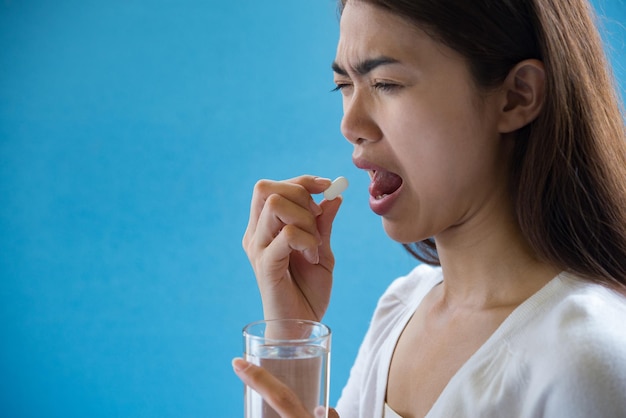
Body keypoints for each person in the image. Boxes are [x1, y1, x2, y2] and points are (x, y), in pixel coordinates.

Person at [233, 0, 626, 416]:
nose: (350, 125)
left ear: (517, 96)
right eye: (344, 85)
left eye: (385, 83)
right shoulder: (402, 307)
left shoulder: (586, 358)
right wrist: (293, 334)